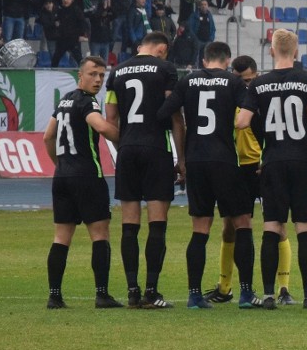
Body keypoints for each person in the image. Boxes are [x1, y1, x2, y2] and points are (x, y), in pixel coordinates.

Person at [238, 29, 307, 310]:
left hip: (272, 162)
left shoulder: (258, 84)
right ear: (296, 52)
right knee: (304, 227)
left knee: (272, 226)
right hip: (302, 160)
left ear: (271, 51)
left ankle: (269, 295)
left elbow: (242, 122)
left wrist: (264, 133)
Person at [157, 41, 257, 309]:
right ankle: (246, 293)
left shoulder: (188, 81)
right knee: (242, 222)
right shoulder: (233, 82)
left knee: (200, 229)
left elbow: (165, 112)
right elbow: (249, 112)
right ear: (227, 61)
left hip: (196, 161)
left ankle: (194, 295)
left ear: (203, 60)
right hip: (224, 159)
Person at [203, 55, 296, 307]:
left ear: (255, 75)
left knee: (277, 226)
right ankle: (224, 287)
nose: (245, 85)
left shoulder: (262, 95)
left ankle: (284, 288)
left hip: (263, 166)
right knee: (230, 227)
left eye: (249, 80)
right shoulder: (229, 94)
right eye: (240, 80)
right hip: (236, 168)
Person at [104, 31, 184, 309]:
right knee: (157, 223)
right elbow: (175, 116)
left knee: (129, 224)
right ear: (161, 49)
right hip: (156, 149)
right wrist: (181, 158)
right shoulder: (166, 69)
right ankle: (152, 291)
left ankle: (132, 292)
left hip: (127, 150)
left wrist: (126, 141)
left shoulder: (117, 71)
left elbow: (110, 119)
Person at [43, 56, 123, 309]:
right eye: (93, 74)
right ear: (81, 75)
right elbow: (101, 127)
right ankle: (102, 294)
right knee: (99, 234)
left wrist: (60, 164)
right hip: (88, 176)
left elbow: (48, 136)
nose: (98, 79)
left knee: (61, 237)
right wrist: (125, 140)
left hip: (63, 177)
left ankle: (54, 296)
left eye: (101, 75)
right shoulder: (87, 101)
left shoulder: (65, 99)